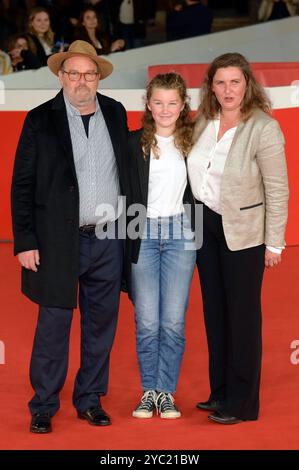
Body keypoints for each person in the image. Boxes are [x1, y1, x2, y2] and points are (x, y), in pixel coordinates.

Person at [11, 40, 129, 433]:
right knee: (54, 324)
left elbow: (126, 176)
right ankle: (43, 403)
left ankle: (90, 399)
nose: (81, 80)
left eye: (89, 73)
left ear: (98, 78)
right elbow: (22, 184)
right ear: (61, 76)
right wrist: (25, 240)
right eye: (74, 73)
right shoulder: (39, 119)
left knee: (101, 325)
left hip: (109, 238)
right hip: (58, 242)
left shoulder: (115, 112)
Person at [187, 52, 289, 424]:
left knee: (242, 317)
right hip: (206, 227)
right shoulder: (203, 121)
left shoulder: (263, 127)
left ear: (247, 84)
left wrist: (274, 242)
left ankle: (243, 404)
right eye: (220, 82)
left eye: (235, 82)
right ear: (210, 87)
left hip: (244, 233)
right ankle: (221, 393)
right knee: (215, 314)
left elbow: (278, 188)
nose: (227, 90)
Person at [128, 73, 196, 419]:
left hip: (182, 232)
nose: (165, 109)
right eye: (158, 102)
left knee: (172, 320)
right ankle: (148, 390)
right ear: (148, 104)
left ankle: (166, 391)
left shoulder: (195, 140)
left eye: (172, 102)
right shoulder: (133, 142)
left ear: (183, 105)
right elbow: (123, 193)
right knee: (146, 320)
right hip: (142, 230)